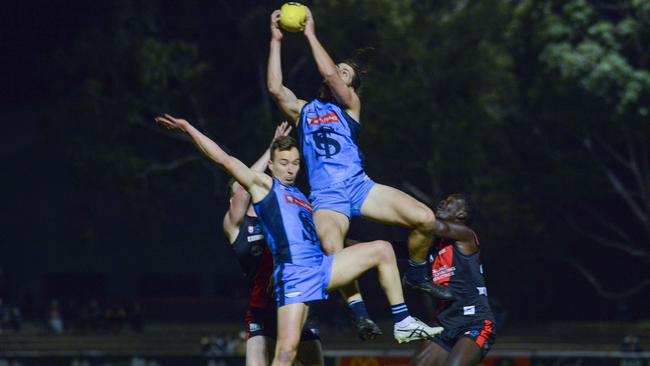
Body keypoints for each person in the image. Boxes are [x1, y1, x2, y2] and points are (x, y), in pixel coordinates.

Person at [154, 114, 442, 366]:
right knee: (285, 354)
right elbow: (223, 159)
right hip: (294, 276)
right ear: (272, 165)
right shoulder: (263, 187)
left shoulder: (305, 199)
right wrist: (189, 128)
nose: (291, 168)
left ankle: (402, 321)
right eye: (284, 163)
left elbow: (332, 241)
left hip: (319, 268)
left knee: (380, 249)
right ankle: (363, 315)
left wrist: (409, 249)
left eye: (295, 163)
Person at [266, 6, 454, 340]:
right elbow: (276, 89)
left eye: (344, 73)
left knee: (424, 218)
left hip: (359, 187)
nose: (337, 74)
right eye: (336, 69)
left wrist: (310, 33)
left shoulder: (350, 106)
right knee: (331, 247)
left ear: (350, 85)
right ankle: (361, 314)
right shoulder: (305, 110)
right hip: (326, 197)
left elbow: (332, 78)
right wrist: (276, 39)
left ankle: (415, 272)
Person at [223, 122, 323, 366]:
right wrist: (270, 149)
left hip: (296, 301)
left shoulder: (284, 210)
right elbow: (242, 186)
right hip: (261, 312)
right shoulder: (235, 225)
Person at [410, 194, 496, 366]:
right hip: (444, 323)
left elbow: (432, 225)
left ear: (461, 213)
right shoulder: (431, 246)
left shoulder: (466, 236)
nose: (442, 202)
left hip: (475, 323)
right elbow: (387, 248)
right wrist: (346, 241)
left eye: (449, 202)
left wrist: (393, 209)